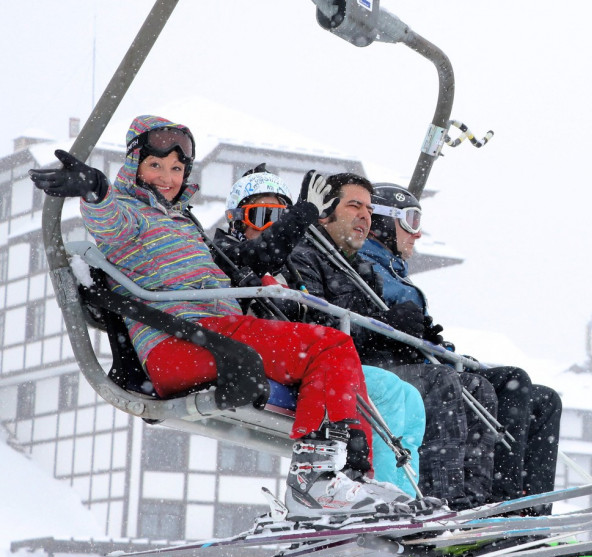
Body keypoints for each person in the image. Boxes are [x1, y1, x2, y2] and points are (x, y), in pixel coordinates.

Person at [29, 116, 411, 519]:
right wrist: (95, 188)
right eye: (155, 166)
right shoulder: (130, 215)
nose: (166, 177)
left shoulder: (179, 221)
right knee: (331, 343)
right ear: (134, 165)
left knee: (344, 369)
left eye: (177, 169)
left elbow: (245, 261)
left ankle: (351, 479)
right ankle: (315, 480)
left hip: (212, 334)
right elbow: (107, 220)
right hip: (185, 341)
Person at [285, 173, 498, 510]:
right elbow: (316, 325)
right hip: (346, 366)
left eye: (368, 209)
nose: (363, 216)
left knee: (481, 389)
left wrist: (418, 338)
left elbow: (373, 329)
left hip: (371, 362)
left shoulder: (360, 270)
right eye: (354, 205)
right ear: (326, 211)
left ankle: (480, 503)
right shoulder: (307, 256)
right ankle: (445, 501)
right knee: (436, 384)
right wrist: (387, 328)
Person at [214, 164, 427, 499]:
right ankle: (354, 482)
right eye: (262, 216)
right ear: (237, 219)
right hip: (277, 355)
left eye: (281, 217)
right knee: (382, 387)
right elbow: (301, 311)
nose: (273, 227)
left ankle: (404, 498)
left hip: (306, 354)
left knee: (410, 397)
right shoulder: (229, 256)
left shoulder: (291, 267)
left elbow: (316, 314)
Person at [362, 184, 562, 512]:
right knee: (486, 384)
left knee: (538, 397)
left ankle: (531, 511)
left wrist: (435, 344)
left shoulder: (395, 272)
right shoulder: (360, 265)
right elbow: (359, 323)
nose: (418, 233)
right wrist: (391, 327)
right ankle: (498, 503)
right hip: (390, 371)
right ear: (384, 221)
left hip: (423, 363)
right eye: (411, 221)